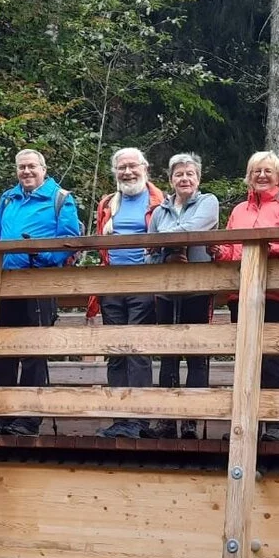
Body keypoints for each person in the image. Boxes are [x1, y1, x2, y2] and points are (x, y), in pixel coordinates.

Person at [0, 149, 81, 436]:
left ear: (43, 169)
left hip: (39, 283)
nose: (26, 172)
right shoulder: (8, 198)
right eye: (21, 167)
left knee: (33, 353)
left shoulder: (60, 198)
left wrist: (40, 256)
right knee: (2, 350)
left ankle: (28, 418)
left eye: (31, 167)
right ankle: (0, 414)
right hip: (5, 283)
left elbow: (70, 241)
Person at [214, 151, 279, 442]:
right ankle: (244, 423)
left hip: (276, 292)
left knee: (270, 358)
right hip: (239, 293)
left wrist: (271, 249)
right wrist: (219, 252)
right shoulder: (239, 210)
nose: (262, 176)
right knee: (244, 359)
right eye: (256, 171)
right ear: (249, 177)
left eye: (268, 171)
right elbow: (231, 251)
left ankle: (276, 424)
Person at [92, 148, 164, 439]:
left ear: (145, 168)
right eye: (121, 168)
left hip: (144, 284)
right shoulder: (108, 203)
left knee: (137, 351)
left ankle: (139, 419)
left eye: (133, 166)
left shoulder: (158, 201)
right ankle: (120, 418)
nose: (127, 172)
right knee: (115, 352)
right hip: (111, 284)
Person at [146, 153, 219, 439]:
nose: (185, 178)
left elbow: (194, 229)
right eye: (179, 174)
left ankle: (191, 421)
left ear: (198, 179)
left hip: (198, 290)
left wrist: (164, 240)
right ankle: (167, 420)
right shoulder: (159, 212)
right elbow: (148, 252)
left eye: (190, 174)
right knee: (168, 355)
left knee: (197, 356)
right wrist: (166, 254)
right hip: (166, 291)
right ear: (171, 179)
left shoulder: (208, 202)